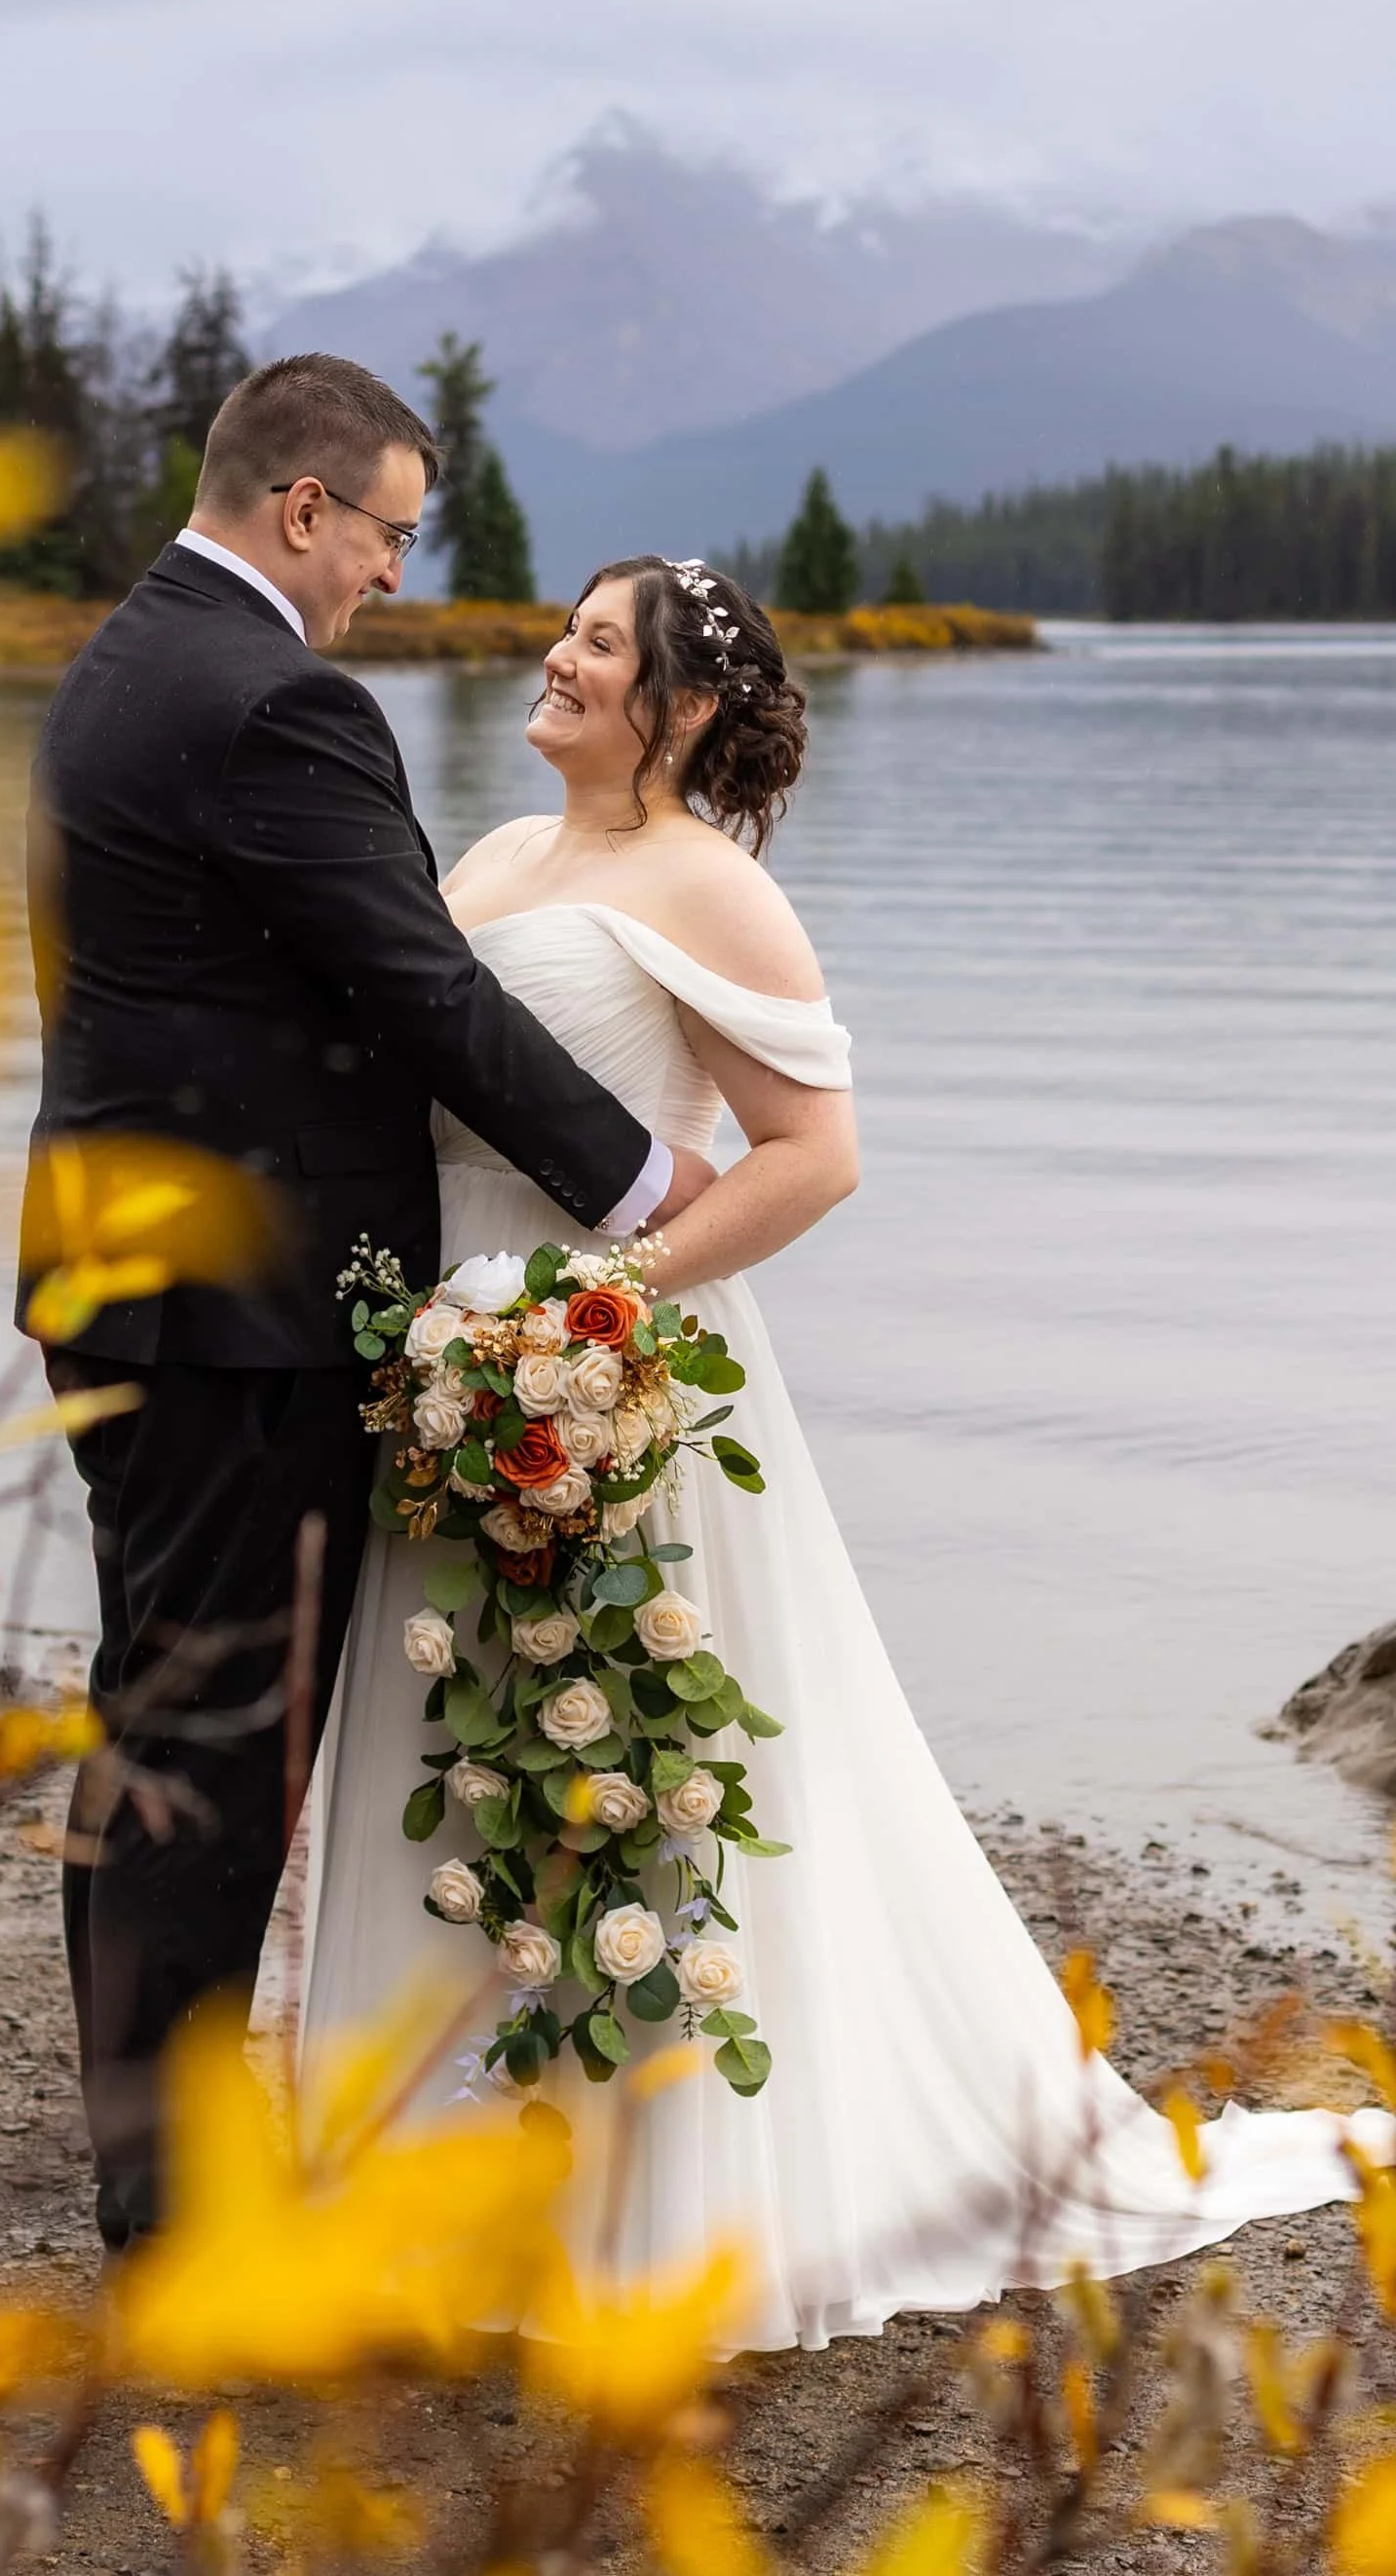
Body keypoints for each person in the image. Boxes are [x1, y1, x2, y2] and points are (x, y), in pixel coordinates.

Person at [295, 551, 1394, 2350]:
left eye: (598, 643)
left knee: (632, 1761)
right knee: (450, 1725)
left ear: (680, 709)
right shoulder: (487, 859)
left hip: (612, 1373)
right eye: (565, 629)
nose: (556, 657)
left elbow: (815, 1155)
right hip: (451, 1369)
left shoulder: (714, 889)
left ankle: (652, 2196)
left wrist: (599, 1315)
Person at [21, 360, 716, 2250]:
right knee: (215, 1749)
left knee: (147, 1717)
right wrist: (645, 1185)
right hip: (238, 1319)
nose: (395, 574)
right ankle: (175, 2214)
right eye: (390, 532)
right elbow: (423, 990)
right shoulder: (277, 701)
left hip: (117, 1280)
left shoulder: (117, 662)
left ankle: (147, 2163)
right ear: (305, 508)